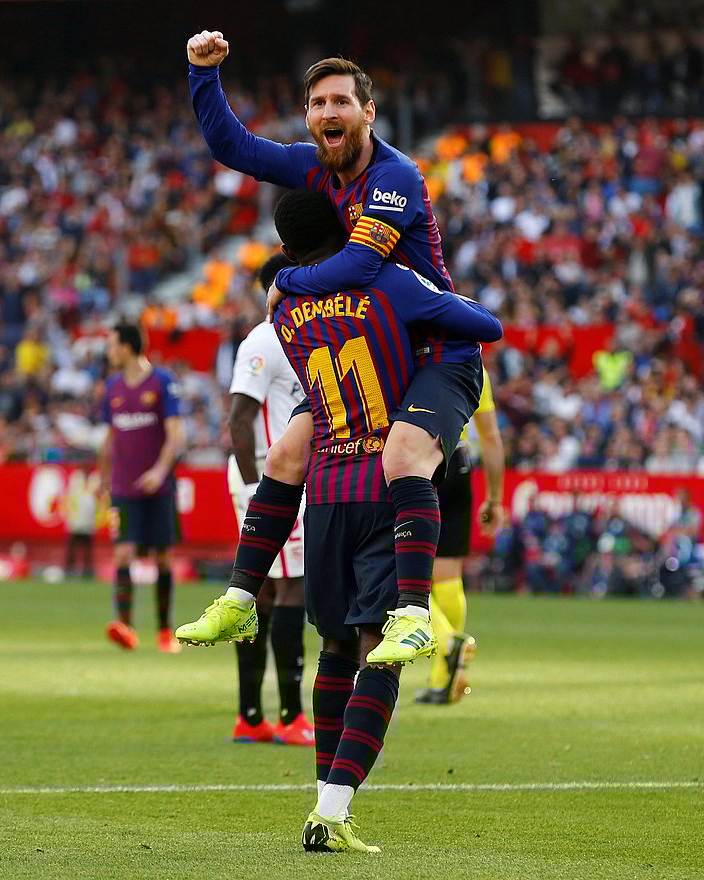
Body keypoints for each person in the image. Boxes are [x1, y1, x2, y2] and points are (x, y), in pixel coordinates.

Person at [182, 189, 501, 852]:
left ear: (291, 250)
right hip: (386, 484)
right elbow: (483, 325)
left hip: (325, 485)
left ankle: (241, 597)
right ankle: (333, 808)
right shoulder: (386, 282)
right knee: (381, 650)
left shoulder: (290, 309)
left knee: (332, 647)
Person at [186, 31, 486, 664]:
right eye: (318, 103)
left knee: (404, 453)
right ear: (308, 114)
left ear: (367, 112)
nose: (329, 112)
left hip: (436, 352)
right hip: (371, 356)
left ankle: (411, 615)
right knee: (287, 454)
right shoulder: (312, 167)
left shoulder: (394, 176)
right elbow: (230, 145)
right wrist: (202, 75)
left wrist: (284, 282)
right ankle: (241, 599)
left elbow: (357, 264)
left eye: (341, 102)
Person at [225, 254, 313, 746]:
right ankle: (289, 716)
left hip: (279, 478)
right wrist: (257, 488)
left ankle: (252, 717)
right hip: (269, 480)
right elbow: (239, 417)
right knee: (291, 588)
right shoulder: (265, 340)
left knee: (259, 594)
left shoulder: (296, 337)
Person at [415, 367, 505, 705]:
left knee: (396, 570)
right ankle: (445, 679)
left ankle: (449, 640)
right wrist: (495, 498)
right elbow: (492, 437)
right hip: (460, 462)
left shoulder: (418, 352)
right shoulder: (475, 365)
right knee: (448, 576)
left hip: (420, 458)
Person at [98, 323, 185, 652]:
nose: (108, 352)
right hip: (123, 486)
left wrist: (160, 471)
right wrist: (101, 476)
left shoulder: (163, 381)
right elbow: (110, 437)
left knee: (163, 557)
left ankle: (165, 631)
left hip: (158, 487)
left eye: (112, 345)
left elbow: (176, 434)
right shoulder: (112, 387)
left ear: (127, 347)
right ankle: (125, 626)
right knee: (123, 552)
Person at [62, 466, 98, 579]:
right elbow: (71, 496)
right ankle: (69, 569)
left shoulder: (94, 479)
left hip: (88, 519)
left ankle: (87, 570)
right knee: (72, 546)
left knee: (87, 547)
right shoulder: (76, 478)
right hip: (76, 519)